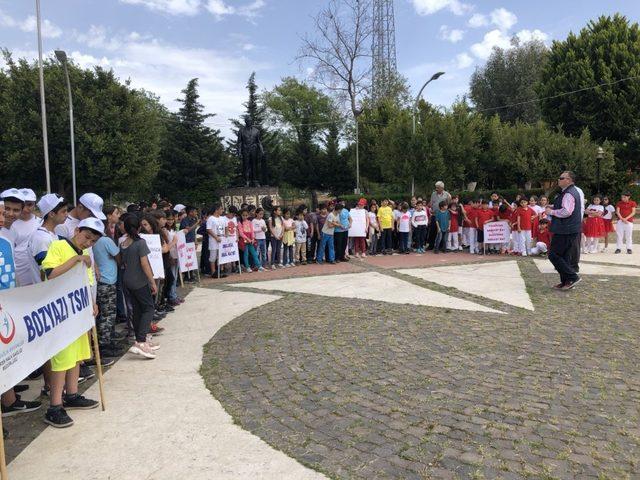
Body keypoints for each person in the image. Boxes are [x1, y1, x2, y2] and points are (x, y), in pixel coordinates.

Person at [41, 217, 105, 427]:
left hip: (78, 312)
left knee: (77, 356)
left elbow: (85, 282)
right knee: (62, 358)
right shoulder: (59, 246)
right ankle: (54, 406)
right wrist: (76, 260)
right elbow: (50, 273)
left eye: (92, 241)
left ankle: (72, 394)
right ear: (77, 230)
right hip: (60, 313)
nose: (88, 243)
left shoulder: (85, 253)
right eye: (86, 237)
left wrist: (92, 302)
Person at [0, 189, 42, 430]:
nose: (10, 214)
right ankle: (8, 400)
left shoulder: (8, 233)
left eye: (16, 210)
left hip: (10, 297)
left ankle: (10, 391)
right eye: (7, 210)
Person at [120, 215, 159, 359]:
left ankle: (139, 338)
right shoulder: (140, 243)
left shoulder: (123, 243)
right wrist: (152, 281)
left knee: (137, 310)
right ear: (139, 228)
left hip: (127, 279)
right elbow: (144, 264)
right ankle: (141, 341)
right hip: (139, 280)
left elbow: (121, 261)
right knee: (148, 308)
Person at [92, 207, 122, 358]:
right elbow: (118, 257)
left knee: (101, 313)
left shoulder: (92, 242)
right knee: (108, 314)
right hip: (108, 280)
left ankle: (104, 340)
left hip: (98, 281)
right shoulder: (105, 240)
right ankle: (105, 344)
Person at [546, 171, 583, 290]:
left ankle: (572, 277)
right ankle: (566, 282)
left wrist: (551, 212)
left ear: (569, 180)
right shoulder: (570, 192)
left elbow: (567, 211)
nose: (559, 179)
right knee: (564, 256)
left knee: (553, 254)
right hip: (569, 228)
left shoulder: (569, 193)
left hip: (565, 229)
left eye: (561, 178)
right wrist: (554, 207)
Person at [10, 188, 41, 286]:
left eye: (30, 204)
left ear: (35, 205)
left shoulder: (41, 223)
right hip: (17, 273)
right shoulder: (9, 224)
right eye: (24, 204)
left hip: (36, 271)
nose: (26, 208)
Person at [427, 181, 452, 249]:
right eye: (436, 187)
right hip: (434, 214)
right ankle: (431, 245)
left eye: (438, 188)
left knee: (442, 230)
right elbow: (431, 203)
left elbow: (448, 204)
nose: (436, 189)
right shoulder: (433, 194)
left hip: (442, 215)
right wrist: (431, 209)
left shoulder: (447, 195)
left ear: (442, 188)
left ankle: (441, 246)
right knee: (432, 230)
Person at [179, 206, 199, 282]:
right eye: (195, 211)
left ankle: (191, 274)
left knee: (192, 258)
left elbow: (194, 232)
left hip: (191, 241)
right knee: (186, 259)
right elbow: (188, 230)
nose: (196, 213)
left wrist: (196, 241)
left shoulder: (193, 220)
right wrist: (196, 223)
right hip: (185, 242)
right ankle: (186, 276)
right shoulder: (185, 220)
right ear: (190, 212)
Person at [206, 204, 226, 278]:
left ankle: (221, 270)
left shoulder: (222, 218)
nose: (222, 211)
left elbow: (225, 227)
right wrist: (216, 237)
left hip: (221, 239)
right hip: (213, 240)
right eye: (221, 209)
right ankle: (213, 272)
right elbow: (208, 229)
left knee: (221, 255)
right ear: (216, 210)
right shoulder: (211, 218)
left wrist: (225, 235)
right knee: (213, 256)